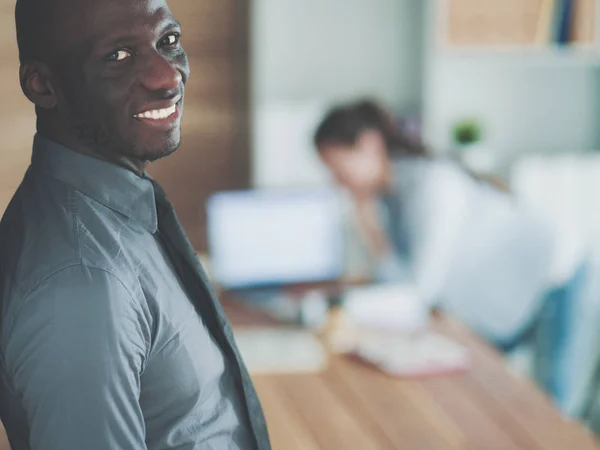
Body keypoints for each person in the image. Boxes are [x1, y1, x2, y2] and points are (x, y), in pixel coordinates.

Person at [0, 1, 270, 449]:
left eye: (168, 42)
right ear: (43, 86)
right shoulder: (81, 283)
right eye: (118, 57)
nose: (168, 77)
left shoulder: (114, 210)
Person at [314, 99, 592, 411]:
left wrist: (372, 250)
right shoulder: (389, 200)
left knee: (553, 411)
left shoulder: (432, 185)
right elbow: (393, 282)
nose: (336, 180)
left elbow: (419, 290)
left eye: (337, 165)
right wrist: (372, 231)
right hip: (503, 305)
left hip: (558, 277)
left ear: (368, 144)